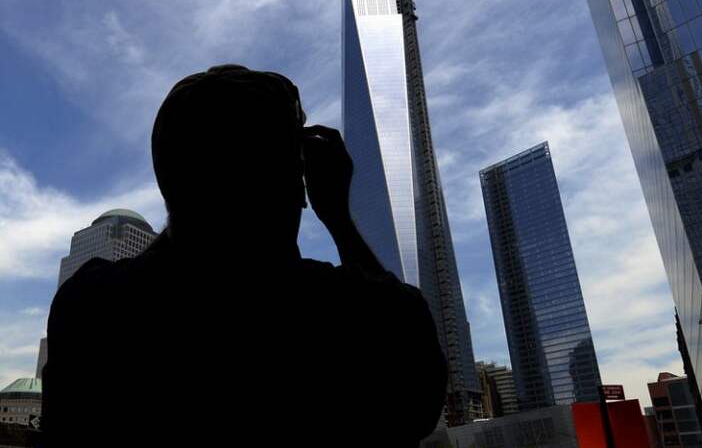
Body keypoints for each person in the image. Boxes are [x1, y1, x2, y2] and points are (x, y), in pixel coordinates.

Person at [41, 65, 447, 447]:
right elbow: (419, 398)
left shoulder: (90, 306)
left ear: (169, 178)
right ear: (295, 185)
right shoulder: (354, 313)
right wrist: (340, 218)